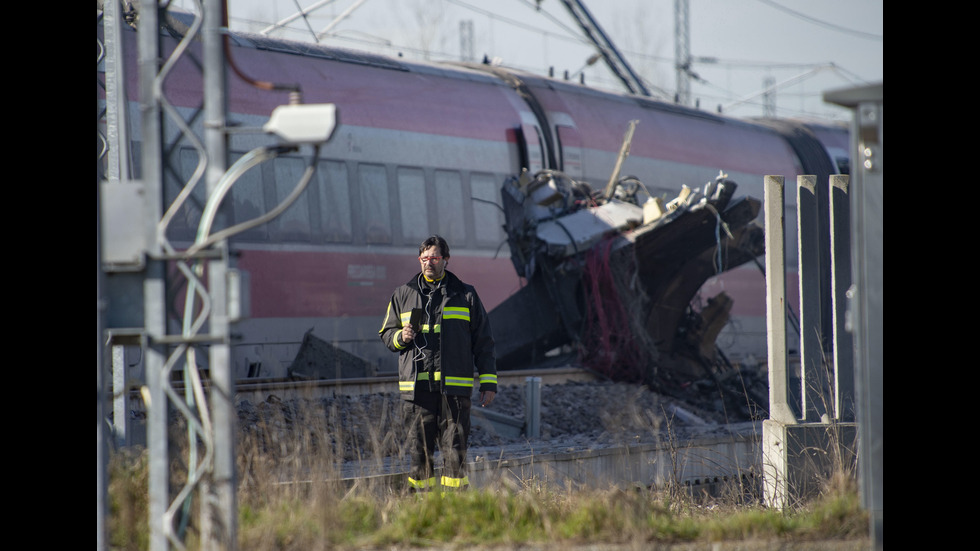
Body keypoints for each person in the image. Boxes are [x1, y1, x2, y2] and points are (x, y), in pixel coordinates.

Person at [379, 235, 497, 491]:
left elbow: (484, 342)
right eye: (424, 258)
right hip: (417, 394)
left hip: (454, 393)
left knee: (455, 453)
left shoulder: (466, 295)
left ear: (446, 259)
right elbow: (386, 334)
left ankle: (454, 511)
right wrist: (402, 337)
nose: (428, 263)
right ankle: (422, 508)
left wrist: (488, 381)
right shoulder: (403, 294)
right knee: (419, 454)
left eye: (433, 258)